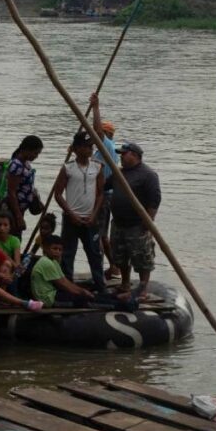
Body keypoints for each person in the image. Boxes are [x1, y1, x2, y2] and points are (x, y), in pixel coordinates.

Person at [54, 131, 106, 292]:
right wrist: (71, 214)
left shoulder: (97, 167)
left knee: (94, 253)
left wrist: (94, 214)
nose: (89, 150)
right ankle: (67, 286)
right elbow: (58, 194)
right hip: (72, 218)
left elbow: (101, 193)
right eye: (85, 146)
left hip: (90, 218)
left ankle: (100, 285)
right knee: (68, 253)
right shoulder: (68, 168)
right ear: (76, 149)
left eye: (91, 146)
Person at [110, 142, 161, 298]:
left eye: (124, 154)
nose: (121, 157)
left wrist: (148, 221)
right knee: (121, 256)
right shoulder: (119, 173)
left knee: (142, 258)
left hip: (137, 224)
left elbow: (155, 200)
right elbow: (104, 186)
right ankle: (125, 283)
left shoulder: (148, 175)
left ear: (134, 155)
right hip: (119, 222)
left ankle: (143, 288)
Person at [91, 92, 121, 279]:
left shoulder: (107, 145)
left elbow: (96, 129)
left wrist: (95, 107)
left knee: (100, 234)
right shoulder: (103, 150)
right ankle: (111, 266)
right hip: (103, 195)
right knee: (100, 234)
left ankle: (113, 266)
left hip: (104, 196)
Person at [30, 235, 96, 308]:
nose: (57, 252)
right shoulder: (46, 262)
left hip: (53, 294)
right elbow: (62, 285)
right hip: (47, 299)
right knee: (84, 300)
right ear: (46, 248)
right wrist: (82, 292)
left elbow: (65, 281)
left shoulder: (53, 262)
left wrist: (82, 291)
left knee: (87, 294)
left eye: (60, 250)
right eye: (54, 248)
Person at [3, 135, 44, 240]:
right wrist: (18, 216)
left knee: (16, 237)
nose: (36, 156)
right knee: (12, 238)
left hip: (21, 208)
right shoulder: (16, 165)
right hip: (12, 209)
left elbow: (26, 185)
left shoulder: (26, 163)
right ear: (26, 150)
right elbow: (11, 192)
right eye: (35, 153)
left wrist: (36, 197)